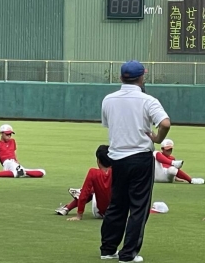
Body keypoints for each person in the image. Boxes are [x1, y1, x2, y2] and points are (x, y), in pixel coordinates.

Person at [100, 60, 171, 263]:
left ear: (121, 77)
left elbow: (109, 124)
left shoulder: (108, 99)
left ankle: (108, 249)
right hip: (140, 157)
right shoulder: (148, 100)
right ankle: (128, 253)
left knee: (117, 204)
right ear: (141, 77)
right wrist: (157, 138)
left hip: (117, 157)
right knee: (139, 207)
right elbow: (165, 123)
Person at [56, 145, 112, 220]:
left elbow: (84, 194)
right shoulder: (118, 170)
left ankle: (67, 207)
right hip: (118, 212)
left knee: (89, 190)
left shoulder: (93, 172)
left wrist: (79, 215)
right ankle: (75, 197)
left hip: (101, 212)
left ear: (98, 160)